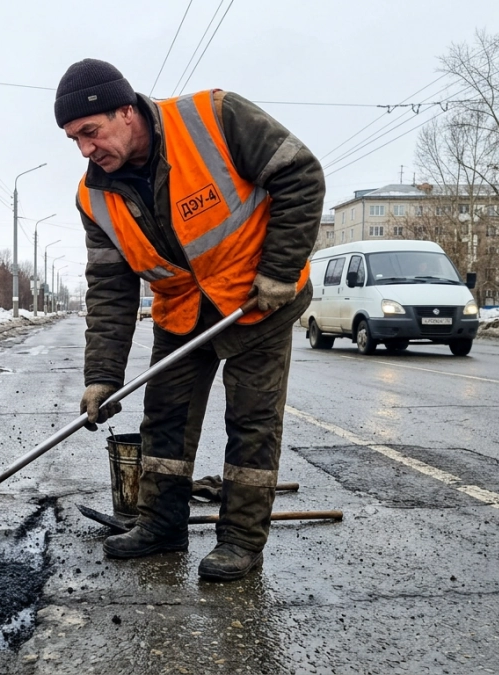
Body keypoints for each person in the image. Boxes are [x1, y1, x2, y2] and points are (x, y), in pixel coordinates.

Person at [56, 59, 324, 581]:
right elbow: (110, 290)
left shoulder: (214, 118)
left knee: (251, 422)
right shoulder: (93, 197)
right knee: (165, 419)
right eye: (74, 140)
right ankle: (162, 525)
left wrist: (278, 271)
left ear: (126, 112)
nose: (86, 149)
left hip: (256, 299)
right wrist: (102, 377)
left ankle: (242, 542)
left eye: (91, 132)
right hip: (182, 311)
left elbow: (301, 173)